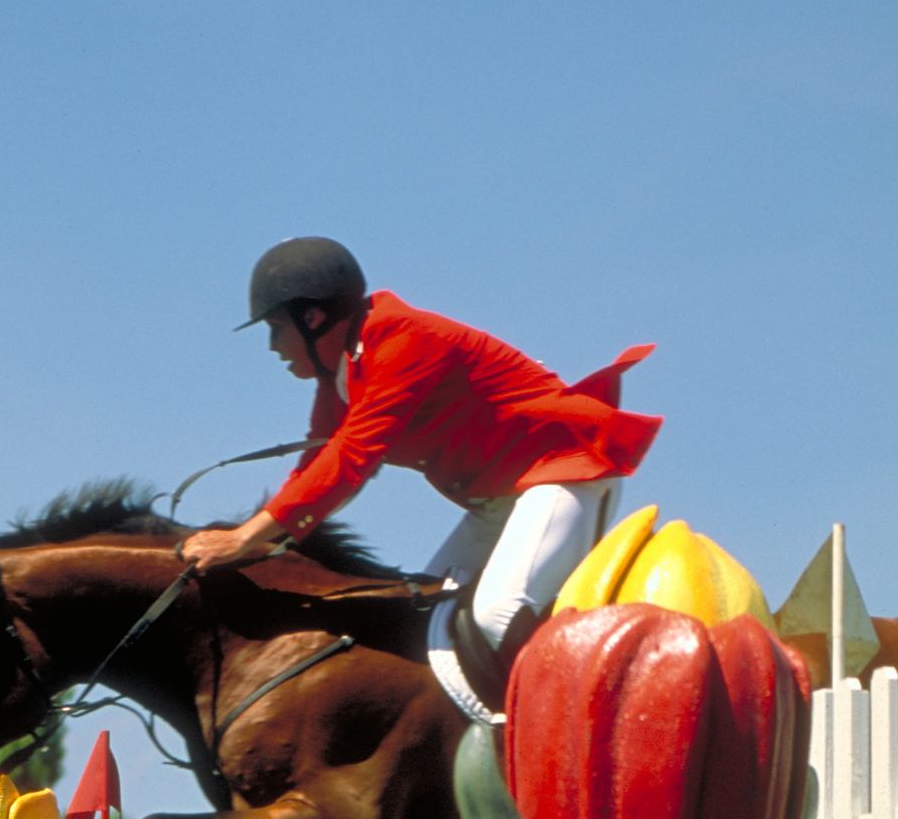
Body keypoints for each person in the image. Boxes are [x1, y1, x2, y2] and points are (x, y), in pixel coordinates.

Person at [179, 236, 662, 705]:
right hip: (500, 500)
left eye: (276, 328)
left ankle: (567, 735)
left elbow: (350, 459)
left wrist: (244, 539)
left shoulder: (401, 340)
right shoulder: (345, 372)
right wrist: (258, 541)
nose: (272, 346)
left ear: (313, 317)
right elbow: (316, 466)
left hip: (563, 474)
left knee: (497, 615)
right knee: (421, 622)